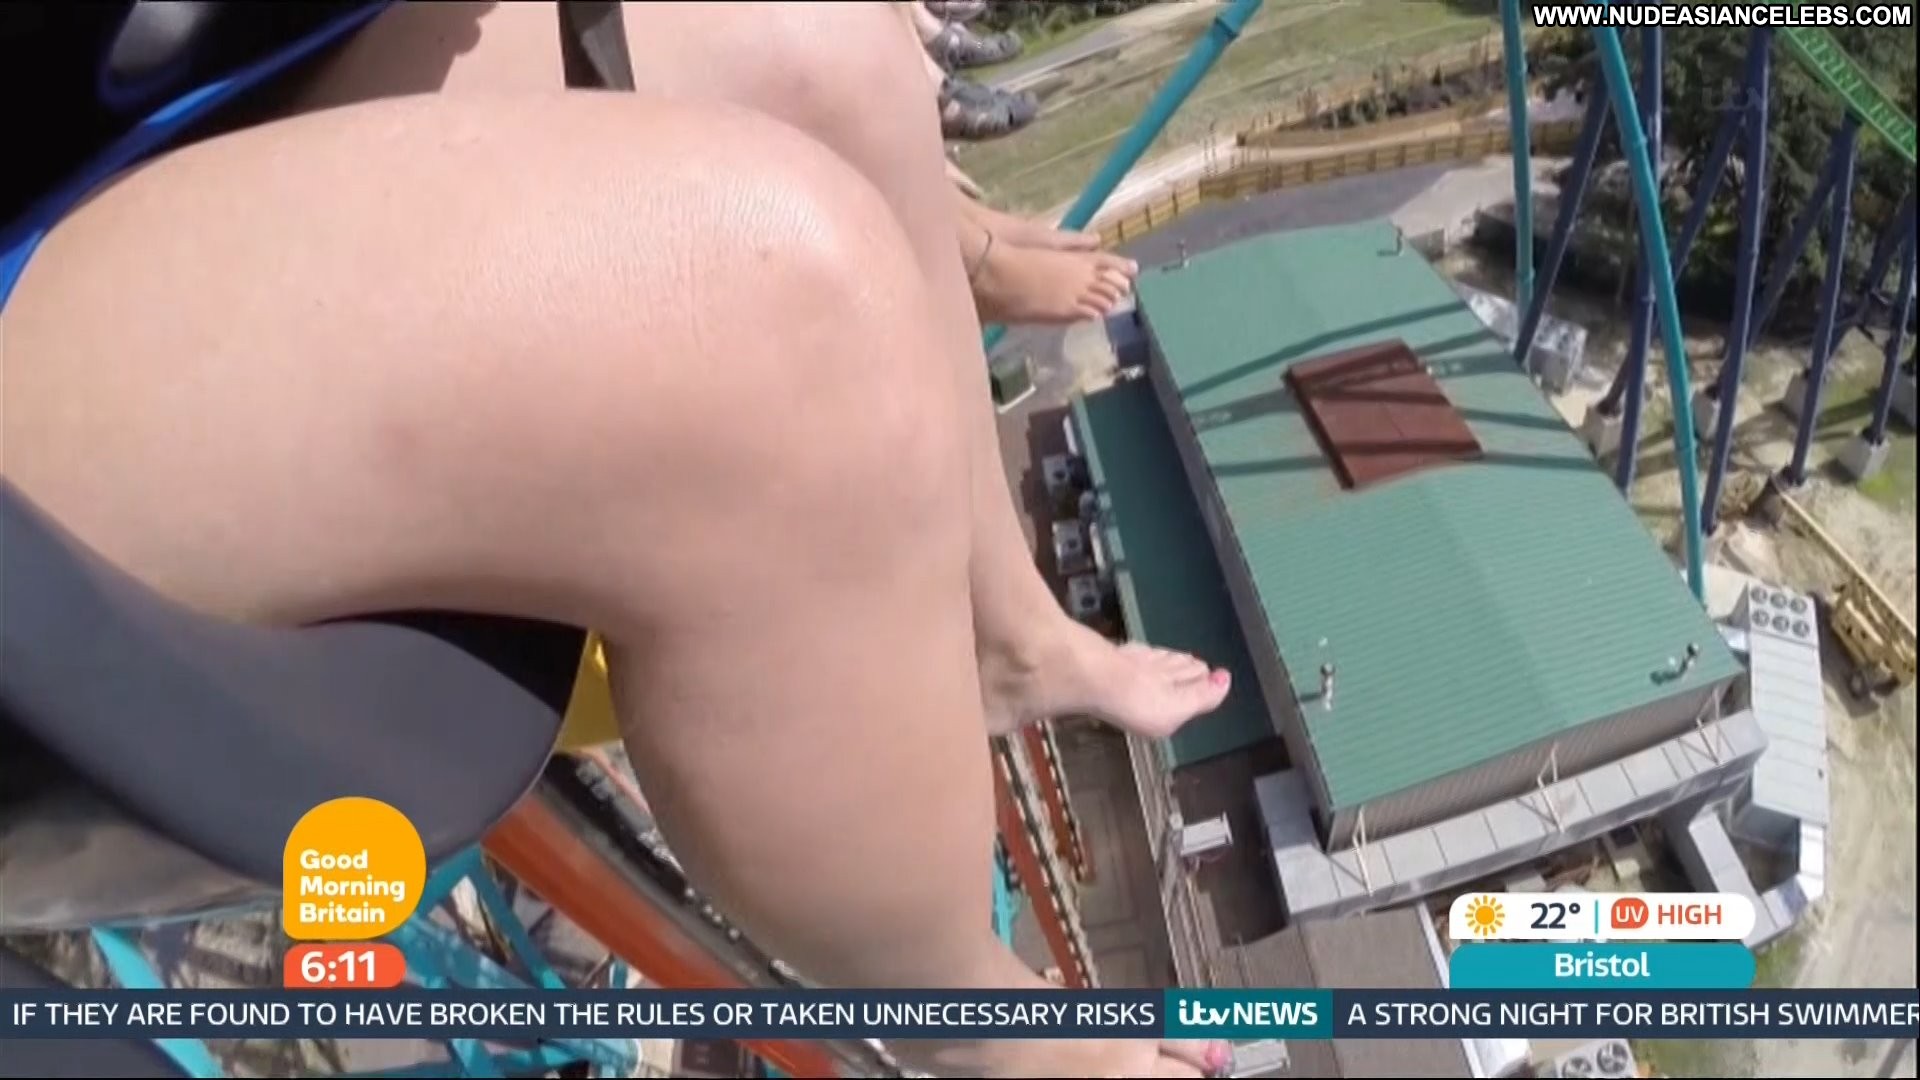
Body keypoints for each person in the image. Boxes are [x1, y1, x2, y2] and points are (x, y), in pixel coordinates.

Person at [2, 3, 1230, 1076]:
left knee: (829, 60)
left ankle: (1013, 639)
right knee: (786, 334)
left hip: (118, 107)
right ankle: (979, 1028)